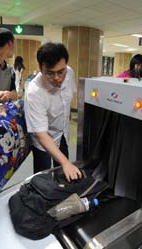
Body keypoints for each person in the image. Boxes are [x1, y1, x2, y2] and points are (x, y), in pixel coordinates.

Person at [25, 42, 82, 182]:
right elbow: (41, 134)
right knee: (42, 178)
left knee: (63, 176)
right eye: (50, 73)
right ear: (40, 68)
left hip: (62, 133)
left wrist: (64, 163)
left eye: (61, 72)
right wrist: (66, 163)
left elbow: (67, 102)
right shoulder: (34, 92)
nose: (57, 78)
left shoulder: (70, 73)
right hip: (43, 140)